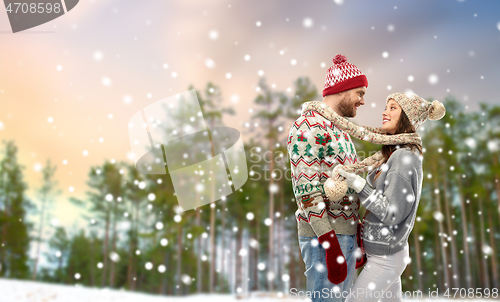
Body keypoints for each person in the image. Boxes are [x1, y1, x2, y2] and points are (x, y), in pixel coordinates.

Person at [300, 92, 446, 302]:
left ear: (408, 116)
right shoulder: (393, 153)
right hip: (382, 255)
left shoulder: (404, 157)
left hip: (385, 259)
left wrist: (358, 185)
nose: (384, 112)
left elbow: (392, 212)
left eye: (393, 108)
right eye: (386, 107)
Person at [286, 54, 368, 302]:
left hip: (344, 236)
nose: (362, 101)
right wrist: (331, 246)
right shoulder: (308, 126)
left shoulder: (339, 130)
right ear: (342, 91)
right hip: (324, 238)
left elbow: (346, 183)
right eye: (360, 93)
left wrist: (356, 233)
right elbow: (306, 191)